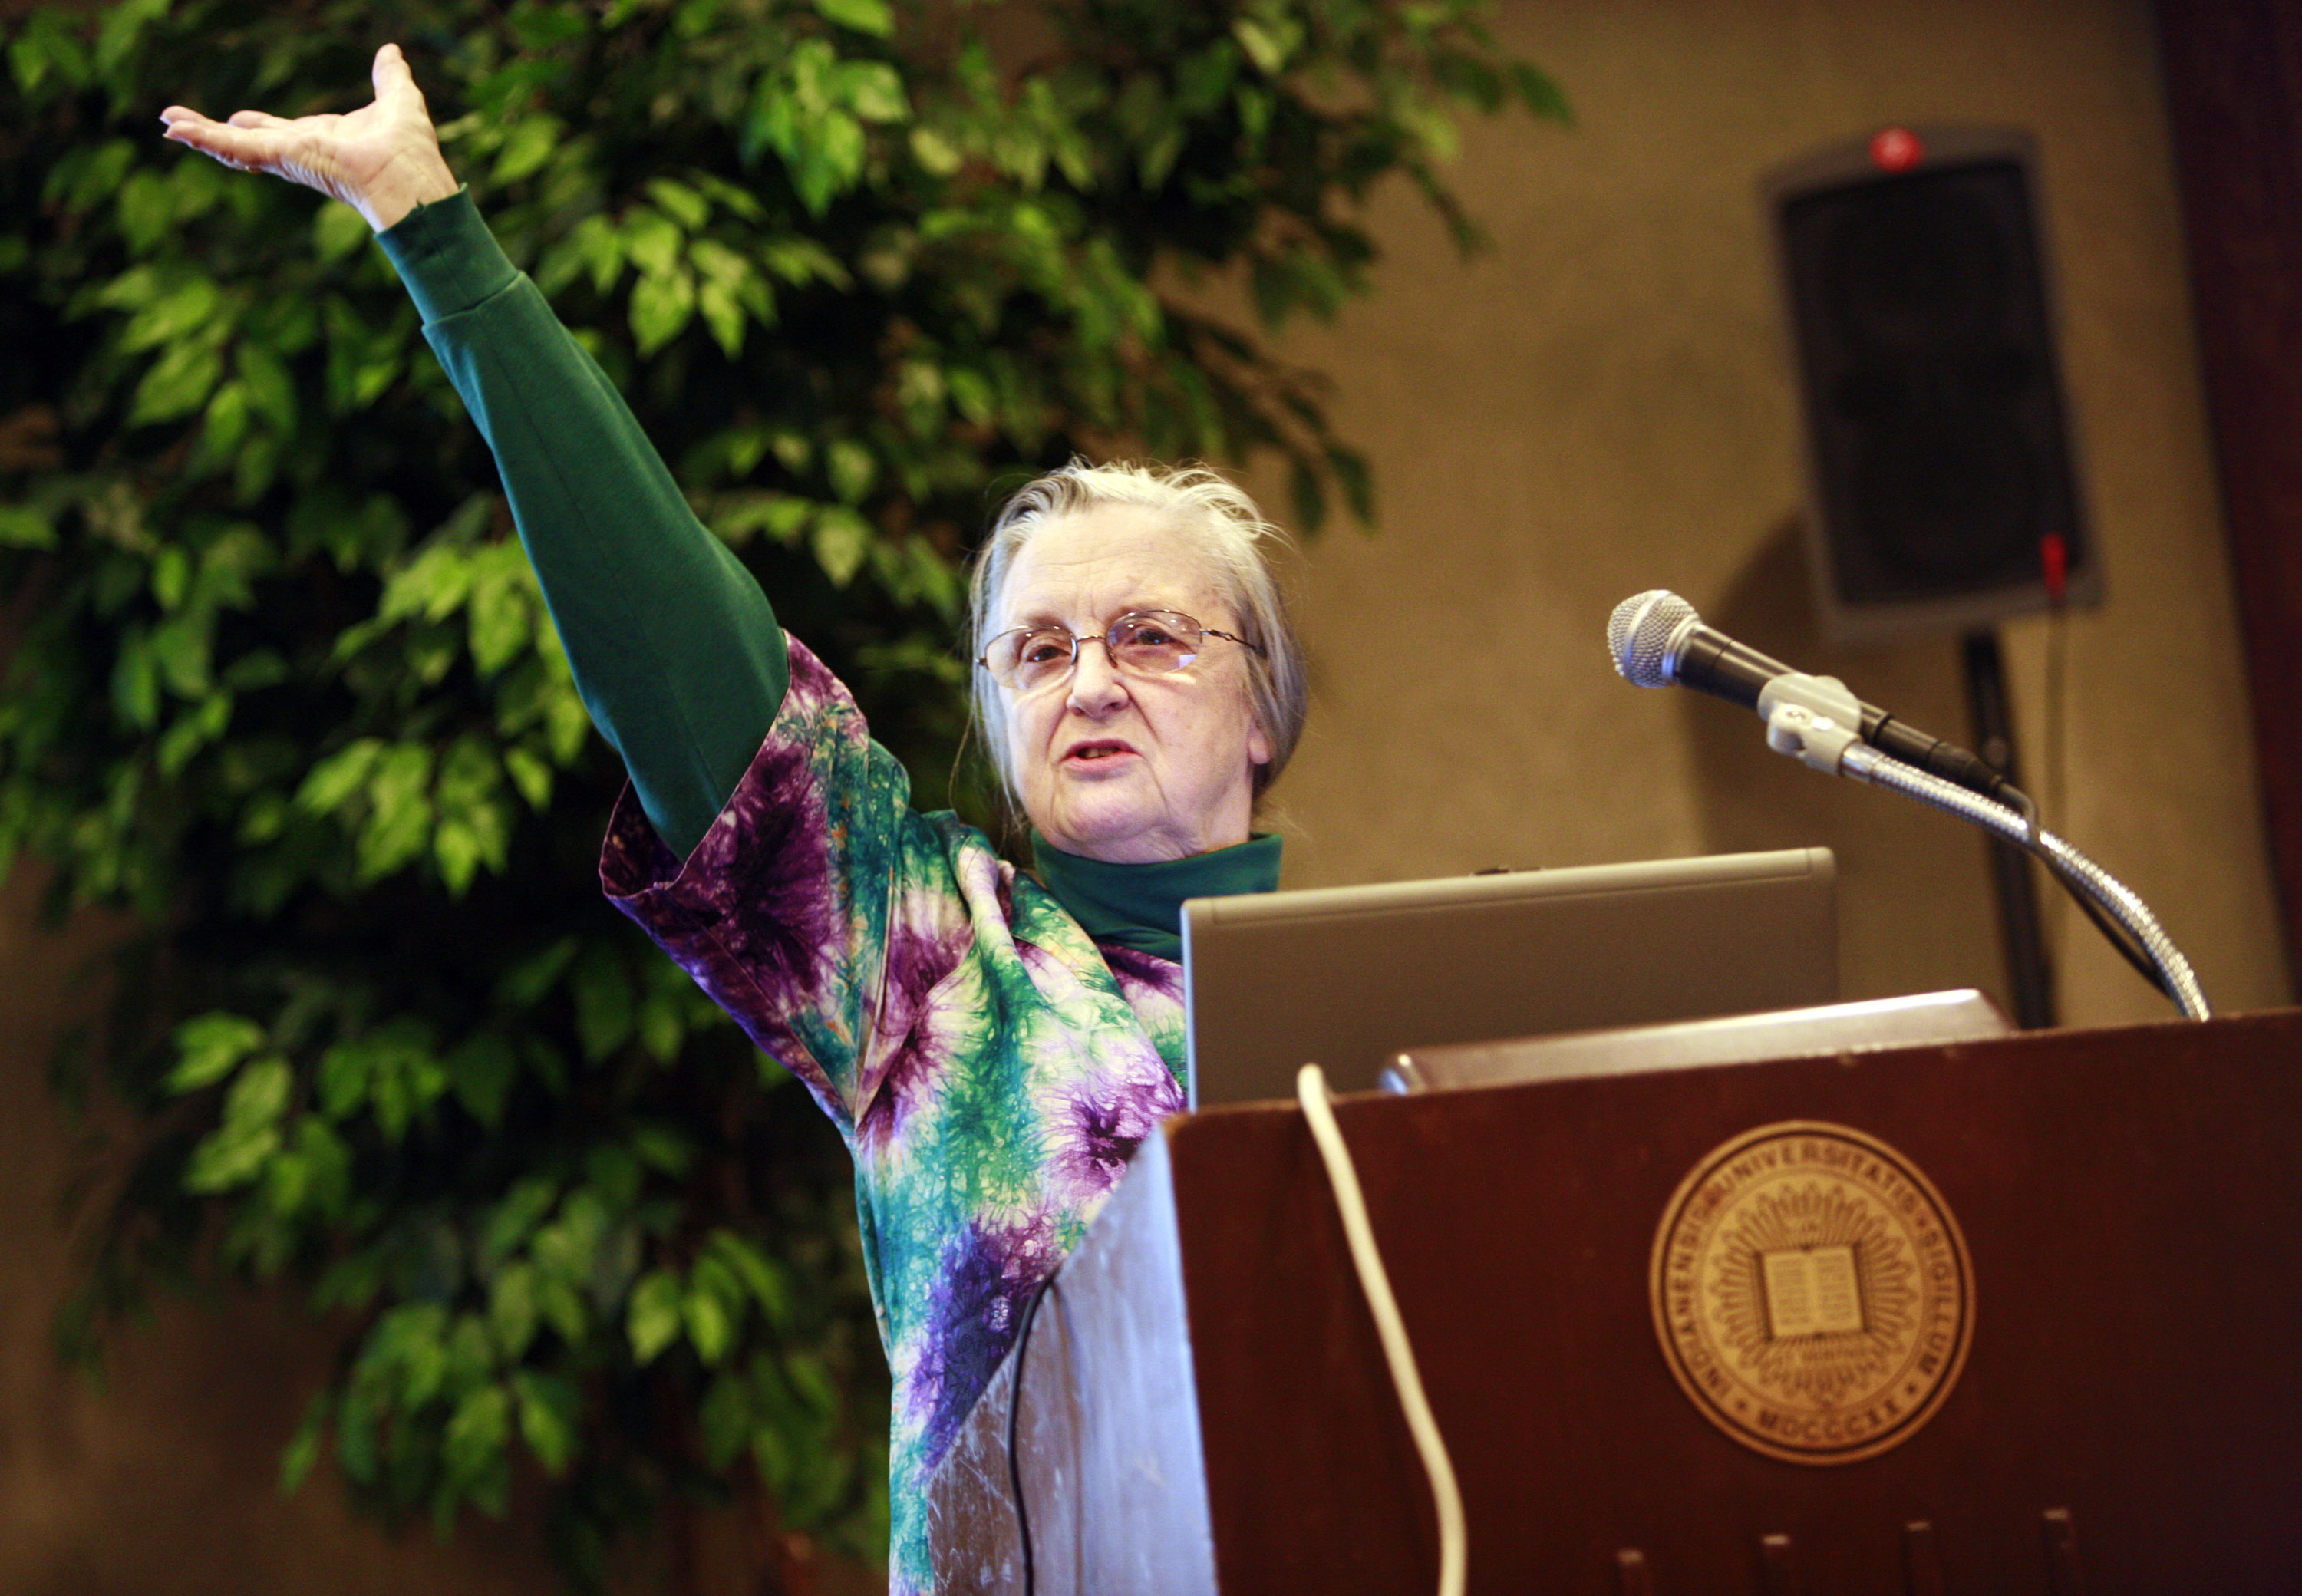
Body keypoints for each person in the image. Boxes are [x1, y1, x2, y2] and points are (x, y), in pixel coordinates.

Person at [161, 43, 1308, 1594]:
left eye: (1155, 635)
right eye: (1036, 648)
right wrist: (437, 233)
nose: (1088, 676)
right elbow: (687, 661)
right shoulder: (929, 962)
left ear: (1263, 708)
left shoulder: (1377, 1017)